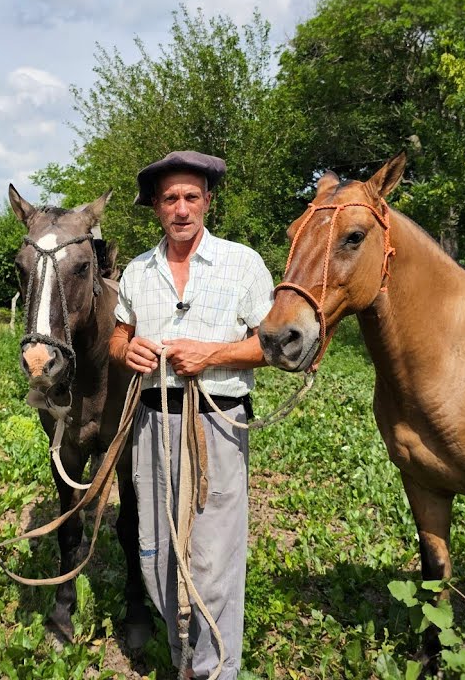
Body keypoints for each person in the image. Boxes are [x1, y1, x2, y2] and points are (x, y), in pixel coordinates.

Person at [108, 150, 274, 679]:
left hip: (216, 424)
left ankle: (215, 671)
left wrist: (213, 354)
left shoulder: (242, 263)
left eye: (191, 197)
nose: (181, 209)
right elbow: (118, 333)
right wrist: (123, 350)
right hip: (151, 423)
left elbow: (274, 345)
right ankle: (183, 658)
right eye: (170, 199)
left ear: (208, 202)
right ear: (156, 208)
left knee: (213, 561)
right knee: (156, 555)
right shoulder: (136, 271)